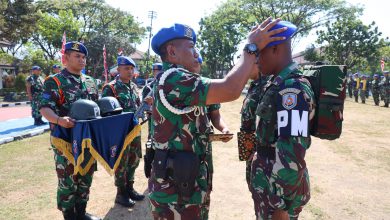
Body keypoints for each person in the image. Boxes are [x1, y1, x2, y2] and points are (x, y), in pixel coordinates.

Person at [148, 18, 287, 219]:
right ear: (172, 52)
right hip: (175, 193)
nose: (196, 53)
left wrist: (219, 130)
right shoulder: (173, 78)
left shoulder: (183, 80)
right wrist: (251, 47)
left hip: (186, 183)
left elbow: (206, 118)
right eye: (191, 47)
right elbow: (231, 89)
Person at [249, 21, 314, 219]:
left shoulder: (292, 89)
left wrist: (281, 207)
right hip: (268, 183)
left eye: (258, 53)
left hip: (277, 195)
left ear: (275, 49)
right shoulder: (276, 83)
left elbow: (292, 154)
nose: (255, 60)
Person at [39, 41, 101, 220]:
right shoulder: (55, 81)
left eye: (84, 57)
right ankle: (69, 215)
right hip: (65, 139)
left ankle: (81, 212)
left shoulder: (90, 81)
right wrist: (59, 120)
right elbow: (45, 108)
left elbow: (97, 107)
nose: (82, 60)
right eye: (77, 56)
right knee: (67, 180)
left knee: (85, 176)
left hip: (88, 139)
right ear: (65, 58)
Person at [101, 56, 145, 208]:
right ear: (118, 70)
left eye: (132, 68)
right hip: (120, 133)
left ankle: (130, 188)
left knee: (134, 159)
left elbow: (137, 105)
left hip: (134, 130)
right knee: (122, 162)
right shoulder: (111, 88)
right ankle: (121, 193)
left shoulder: (133, 86)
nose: (130, 71)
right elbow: (105, 112)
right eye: (126, 68)